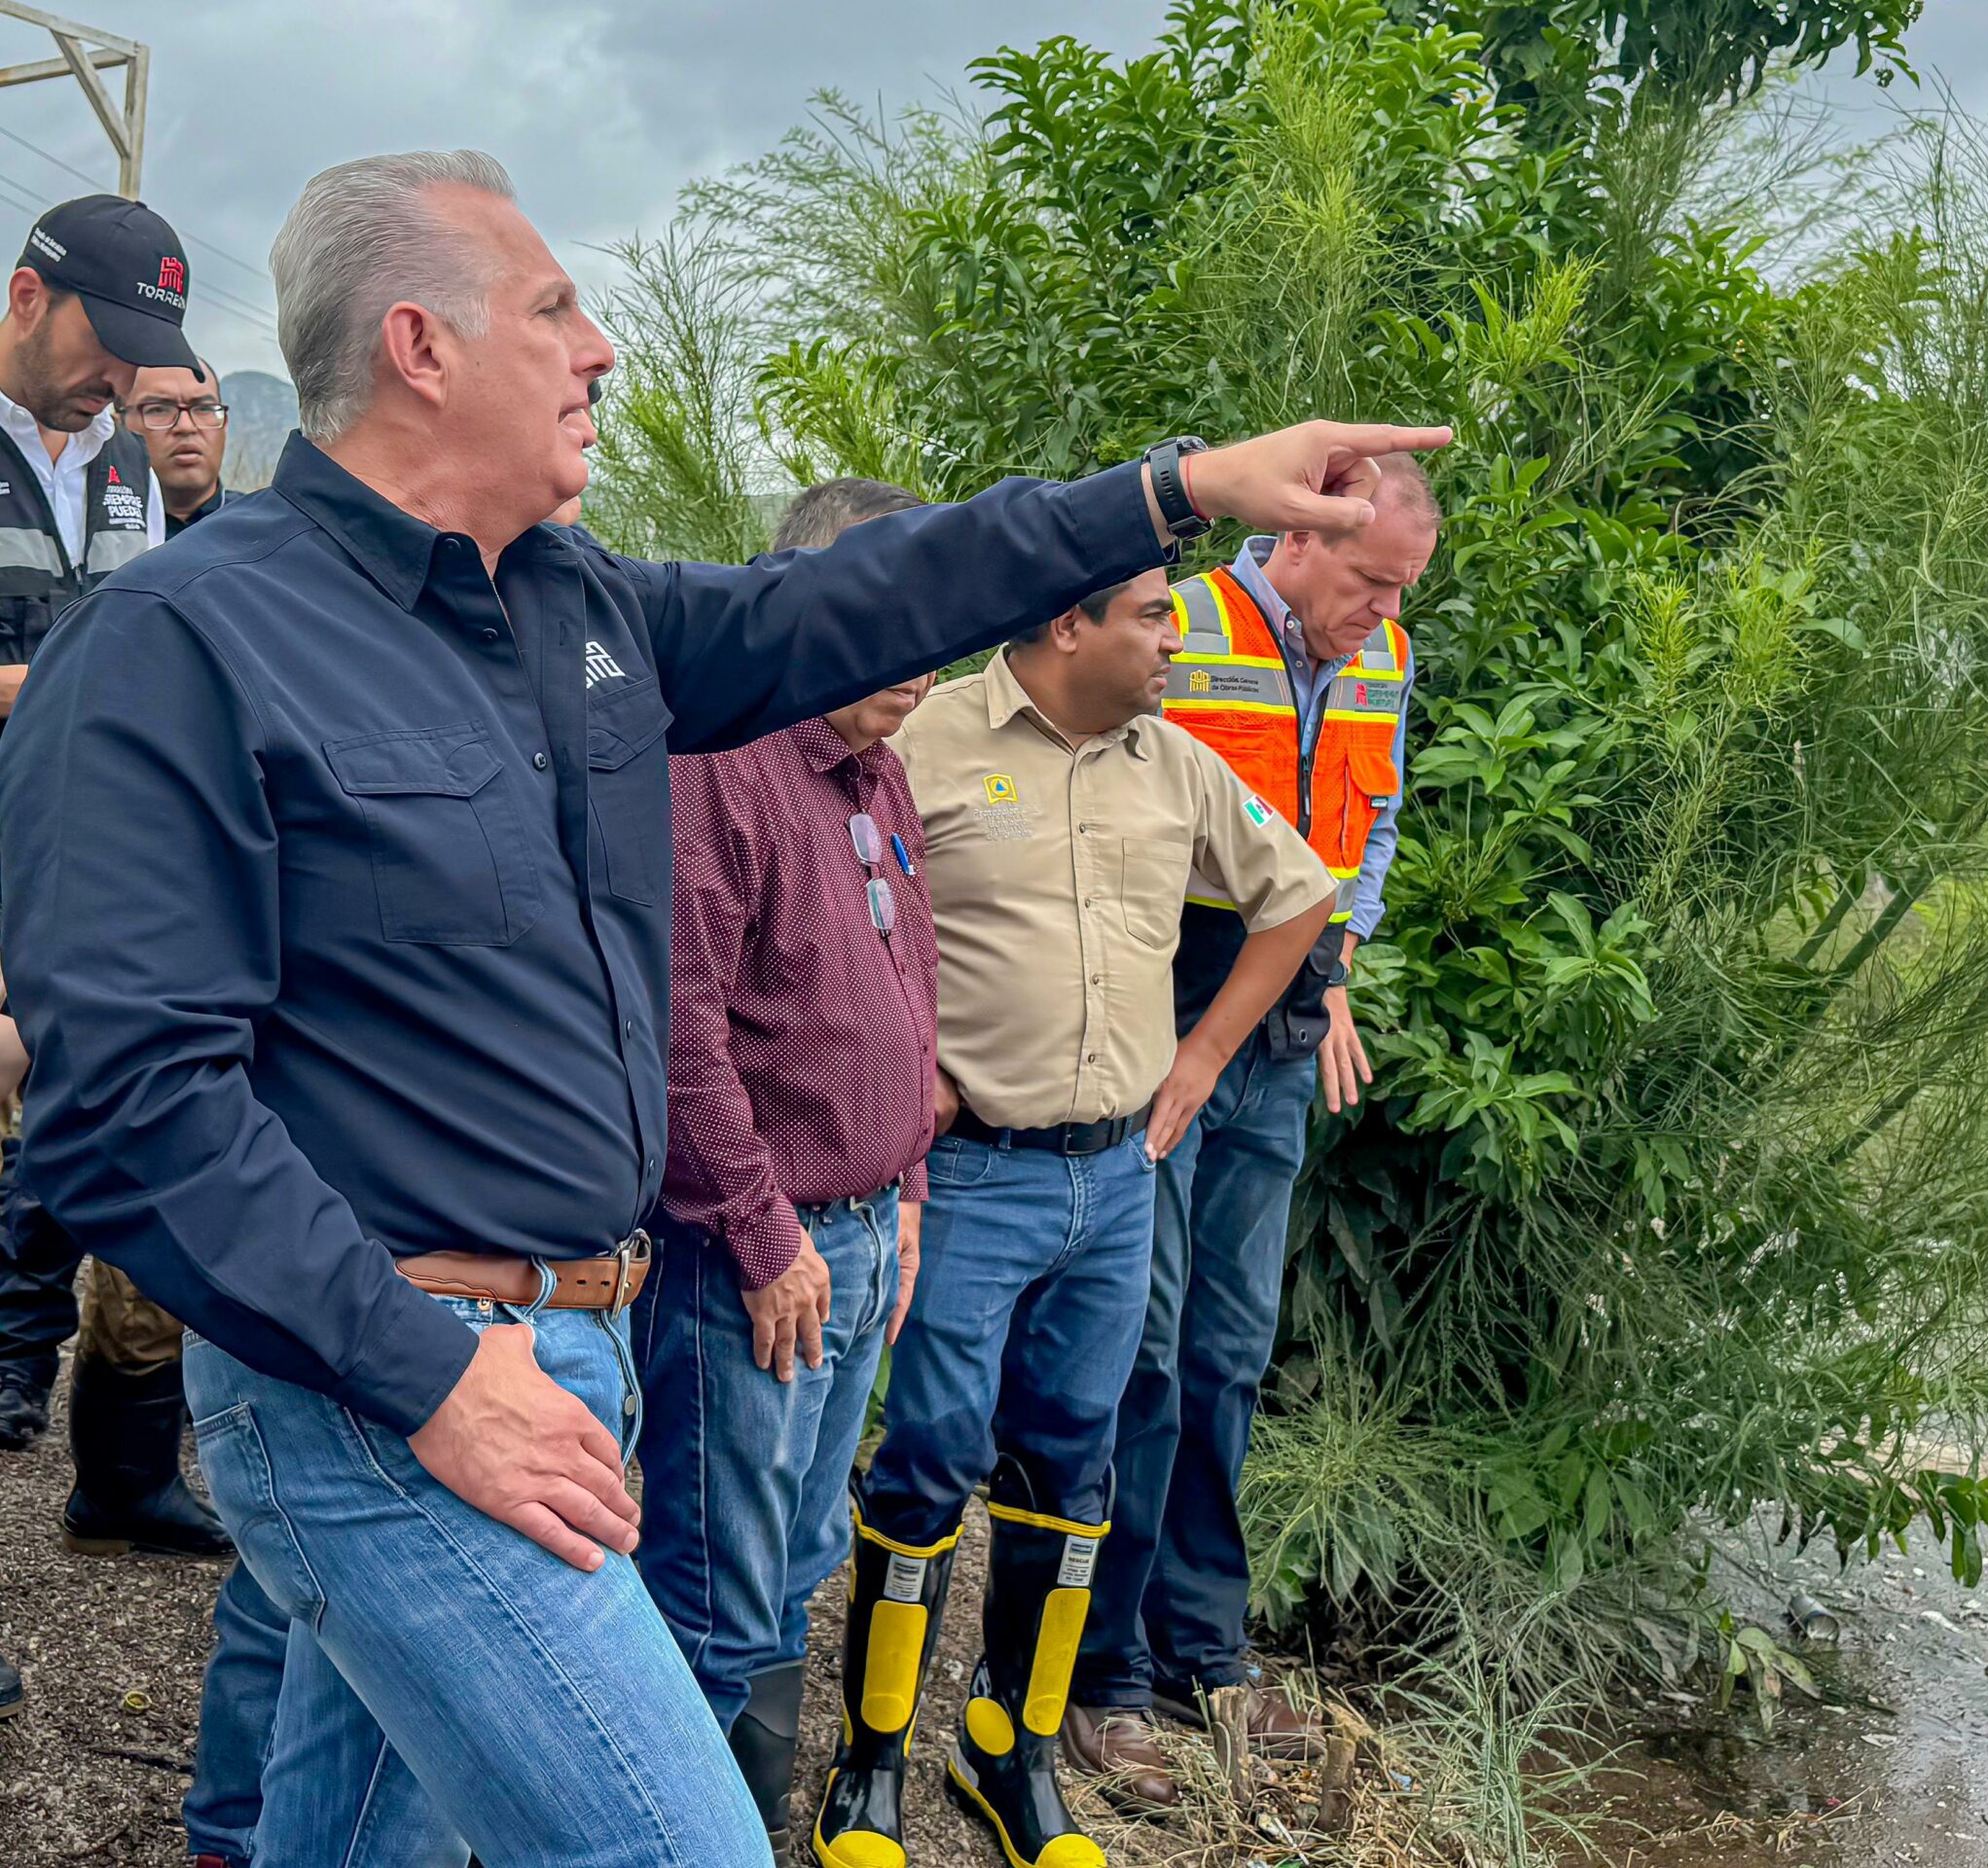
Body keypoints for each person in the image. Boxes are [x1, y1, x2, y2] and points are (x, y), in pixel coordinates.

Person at [0, 144, 1444, 1868]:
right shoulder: (187, 636)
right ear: (421, 347)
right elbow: (127, 1106)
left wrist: (1178, 486)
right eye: (555, 307)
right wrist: (433, 1384)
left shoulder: (579, 610)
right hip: (386, 1382)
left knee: (342, 1838)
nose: (601, 344)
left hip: (574, 1349)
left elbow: (862, 596)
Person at [813, 568, 1338, 1868]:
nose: (1176, 639)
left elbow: (1301, 893)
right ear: (1066, 626)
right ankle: (869, 1769)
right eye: (1156, 618)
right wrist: (904, 1057)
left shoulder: (1174, 765)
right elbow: (832, 916)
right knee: (929, 1459)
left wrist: (1206, 1059)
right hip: (975, 1173)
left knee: (1072, 1466)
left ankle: (1010, 1754)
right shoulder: (927, 744)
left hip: (1115, 1183)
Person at [1068, 458, 1439, 1795]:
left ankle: (1205, 1651)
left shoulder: (1383, 652)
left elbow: (1372, 820)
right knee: (1143, 1353)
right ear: (1295, 535)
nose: (1384, 609)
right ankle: (1099, 1678)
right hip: (1159, 1025)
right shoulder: (1188, 631)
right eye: (1368, 578)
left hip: (1279, 1035)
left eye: (1402, 585)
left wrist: (1331, 963)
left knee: (1228, 1352)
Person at [633, 476, 940, 1841]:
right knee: (716, 1585)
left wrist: (914, 1187)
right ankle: (683, 1826)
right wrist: (766, 1240)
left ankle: (737, 1825)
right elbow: (682, 1035)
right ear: (800, 605)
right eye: (895, 623)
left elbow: (910, 983)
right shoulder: (716, 767)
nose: (925, 662)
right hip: (754, 1250)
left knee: (799, 1559)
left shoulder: (877, 769)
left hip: (866, 1231)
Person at [0, 195, 197, 1454]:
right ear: (27, 299)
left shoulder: (127, 468)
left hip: (81, 887)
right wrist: (71, 690)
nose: (119, 379)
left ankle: (119, 1476)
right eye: (105, 343)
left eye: (143, 354)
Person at [130, 354, 230, 534]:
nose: (186, 426)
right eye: (158, 409)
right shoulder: (91, 533)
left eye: (204, 408)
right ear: (118, 424)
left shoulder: (267, 530)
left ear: (225, 426)